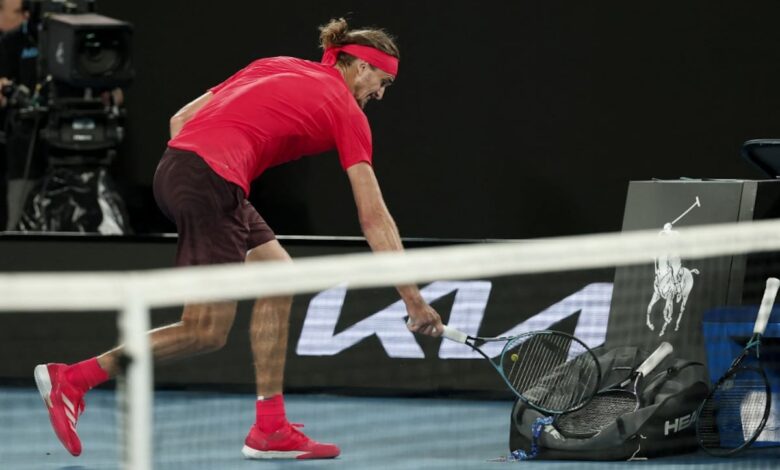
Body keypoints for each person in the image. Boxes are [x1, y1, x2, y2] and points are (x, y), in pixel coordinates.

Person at [34, 17, 444, 460]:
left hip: (185, 170)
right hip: (211, 180)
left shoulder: (276, 64)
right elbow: (373, 218)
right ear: (360, 67)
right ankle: (73, 379)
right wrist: (413, 300)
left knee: (278, 277)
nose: (379, 94)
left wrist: (204, 177)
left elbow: (181, 120)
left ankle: (270, 428)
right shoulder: (346, 111)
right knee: (205, 331)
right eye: (382, 82)